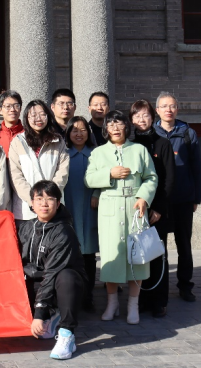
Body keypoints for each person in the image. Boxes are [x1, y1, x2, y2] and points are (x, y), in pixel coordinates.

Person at [85, 110, 158, 325]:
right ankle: (112, 302)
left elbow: (151, 177)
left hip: (135, 208)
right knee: (110, 257)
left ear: (126, 126)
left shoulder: (139, 150)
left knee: (138, 257)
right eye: (111, 124)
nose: (115, 128)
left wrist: (144, 197)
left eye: (119, 124)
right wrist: (109, 174)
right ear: (105, 128)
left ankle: (133, 304)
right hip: (110, 206)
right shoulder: (98, 152)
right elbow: (88, 179)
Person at [16, 181, 86, 361]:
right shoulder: (25, 227)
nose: (44, 204)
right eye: (39, 199)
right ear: (31, 203)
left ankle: (66, 333)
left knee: (66, 276)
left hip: (60, 285)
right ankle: (51, 313)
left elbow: (51, 274)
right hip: (38, 285)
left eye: (50, 199)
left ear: (59, 202)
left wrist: (39, 314)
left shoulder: (63, 232)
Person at [154, 92, 201, 303]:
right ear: (157, 110)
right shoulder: (151, 133)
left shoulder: (187, 133)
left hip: (183, 198)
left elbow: (197, 168)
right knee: (159, 245)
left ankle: (185, 285)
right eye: (164, 106)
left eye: (172, 106)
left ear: (177, 109)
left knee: (184, 244)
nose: (168, 109)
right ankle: (159, 285)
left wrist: (196, 198)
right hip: (160, 200)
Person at [130, 99, 175, 318]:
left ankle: (159, 301)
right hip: (134, 212)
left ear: (153, 117)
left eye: (145, 115)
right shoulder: (128, 145)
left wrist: (158, 208)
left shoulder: (162, 144)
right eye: (137, 116)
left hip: (156, 212)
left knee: (157, 255)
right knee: (137, 256)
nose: (141, 120)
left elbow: (168, 181)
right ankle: (139, 300)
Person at [8, 100, 70, 220]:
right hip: (26, 208)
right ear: (26, 117)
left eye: (42, 114)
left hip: (52, 207)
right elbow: (16, 176)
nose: (38, 118)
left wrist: (49, 198)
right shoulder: (18, 142)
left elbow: (63, 172)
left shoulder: (58, 142)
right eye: (33, 115)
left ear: (48, 116)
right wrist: (33, 200)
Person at [62, 117, 99, 313]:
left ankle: (88, 296)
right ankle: (72, 296)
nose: (78, 133)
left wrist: (96, 194)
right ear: (68, 133)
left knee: (89, 256)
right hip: (69, 209)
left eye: (83, 129)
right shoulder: (63, 155)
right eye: (74, 130)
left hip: (91, 210)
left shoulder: (96, 154)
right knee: (71, 255)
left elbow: (104, 178)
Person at [0, 90, 24, 156]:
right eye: (8, 106)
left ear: (20, 109)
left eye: (16, 106)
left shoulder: (28, 134)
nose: (12, 109)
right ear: (0, 110)